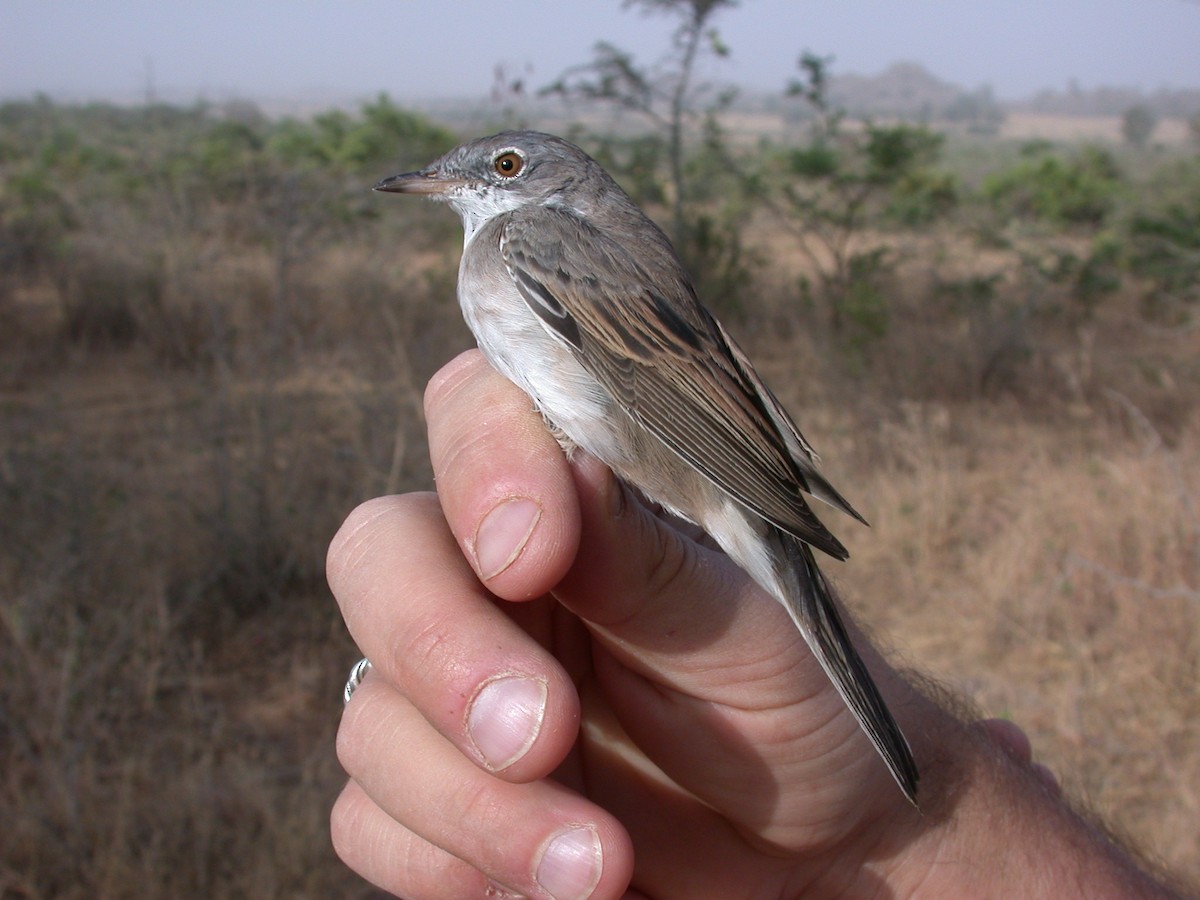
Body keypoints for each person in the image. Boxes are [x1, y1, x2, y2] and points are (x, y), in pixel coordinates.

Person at [329, 350, 1184, 899]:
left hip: (704, 477)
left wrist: (915, 838)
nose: (474, 189)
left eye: (505, 169)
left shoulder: (537, 239)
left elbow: (663, 388)